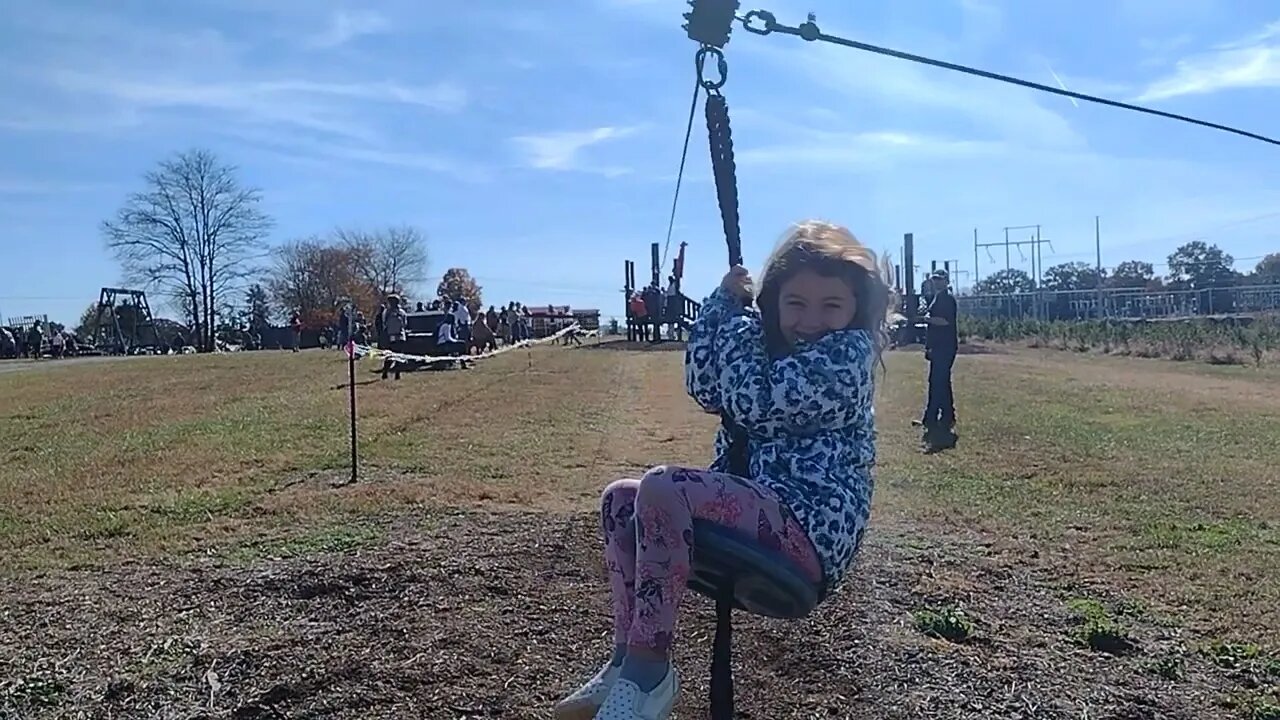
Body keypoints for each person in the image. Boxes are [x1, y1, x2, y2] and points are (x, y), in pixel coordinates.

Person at [554, 220, 888, 720]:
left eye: (831, 306)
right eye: (795, 303)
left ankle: (649, 673)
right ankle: (627, 663)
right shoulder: (764, 347)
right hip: (762, 513)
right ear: (773, 304)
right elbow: (706, 385)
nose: (811, 319)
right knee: (622, 500)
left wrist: (737, 326)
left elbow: (754, 401)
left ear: (854, 309)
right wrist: (722, 304)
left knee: (665, 488)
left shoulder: (846, 358)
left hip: (807, 531)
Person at [920, 269, 958, 452]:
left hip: (946, 346)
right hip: (938, 347)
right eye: (934, 278)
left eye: (939, 279)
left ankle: (937, 416)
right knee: (939, 381)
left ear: (946, 281)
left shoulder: (947, 299)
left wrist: (927, 319)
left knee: (938, 381)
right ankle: (940, 416)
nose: (936, 281)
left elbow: (944, 322)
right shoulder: (936, 298)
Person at [380, 295, 409, 380]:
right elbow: (384, 323)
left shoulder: (401, 312)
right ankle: (385, 372)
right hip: (390, 336)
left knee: (398, 356)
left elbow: (404, 324)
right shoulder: (387, 312)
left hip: (399, 336)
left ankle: (397, 374)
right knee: (389, 356)